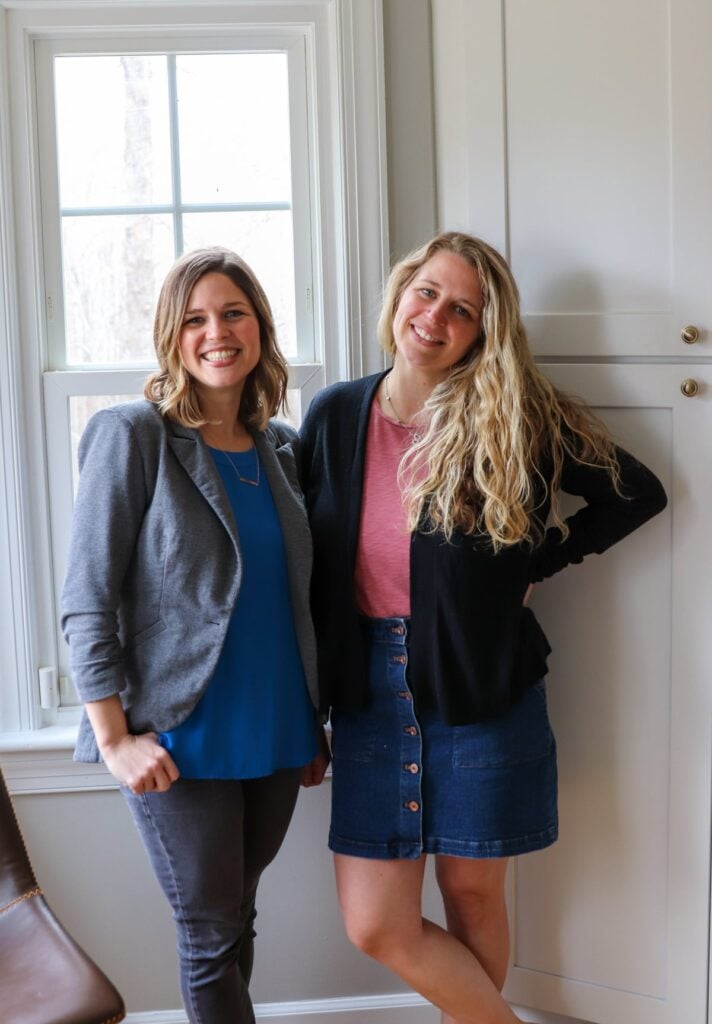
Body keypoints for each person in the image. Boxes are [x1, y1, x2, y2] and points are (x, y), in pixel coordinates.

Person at [299, 231, 667, 1024]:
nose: (434, 317)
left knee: (470, 893)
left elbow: (636, 493)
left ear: (483, 332)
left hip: (483, 684)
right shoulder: (334, 416)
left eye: (461, 309)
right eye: (426, 292)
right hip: (366, 688)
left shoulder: (515, 417)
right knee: (375, 923)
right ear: (400, 293)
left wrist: (540, 561)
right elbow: (301, 562)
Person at [62, 246, 329, 1024]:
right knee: (210, 931)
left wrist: (312, 718)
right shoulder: (134, 434)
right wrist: (113, 740)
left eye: (233, 312)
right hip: (182, 736)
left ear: (260, 327)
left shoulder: (281, 449)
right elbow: (87, 597)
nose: (217, 332)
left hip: (279, 730)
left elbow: (295, 597)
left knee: (235, 917)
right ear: (170, 338)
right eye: (194, 319)